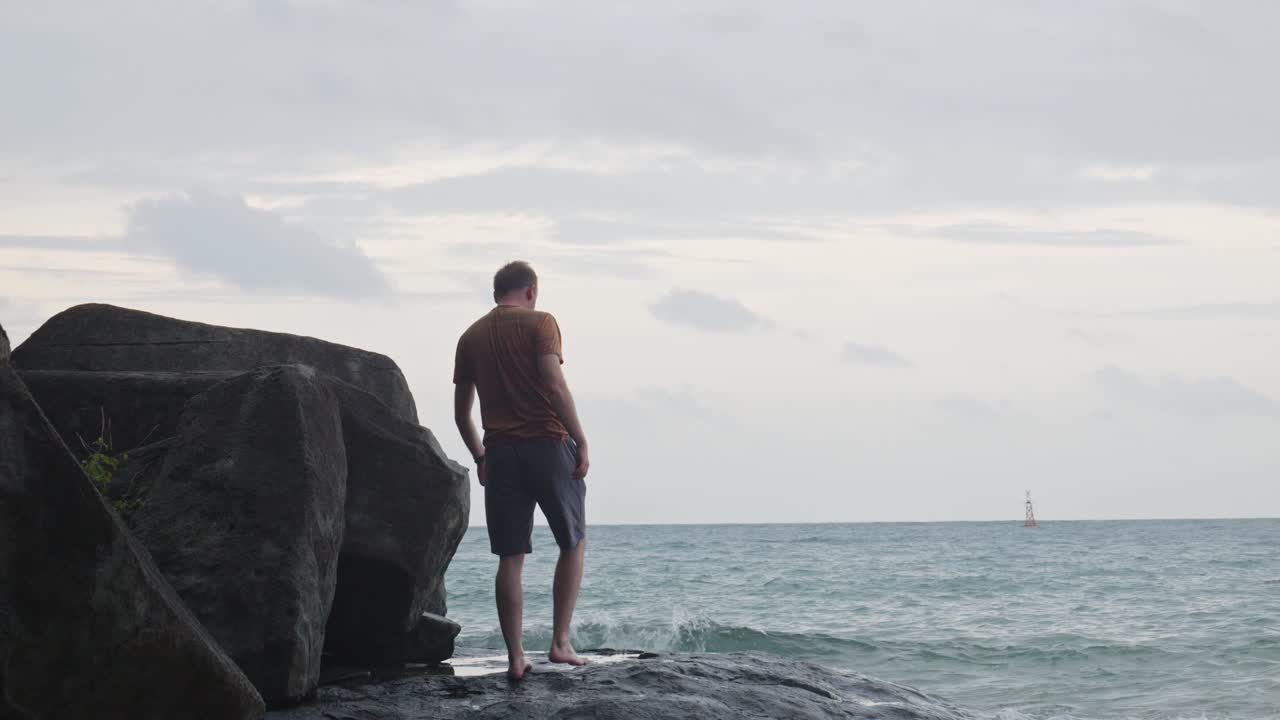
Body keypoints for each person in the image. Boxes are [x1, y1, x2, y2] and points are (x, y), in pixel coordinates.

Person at [452, 261, 591, 681]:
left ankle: (515, 658)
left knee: (510, 558)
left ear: (498, 292)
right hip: (548, 444)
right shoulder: (541, 323)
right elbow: (553, 383)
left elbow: (462, 414)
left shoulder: (470, 336)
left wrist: (480, 457)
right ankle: (560, 643)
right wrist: (579, 438)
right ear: (531, 291)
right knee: (572, 541)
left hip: (500, 454)